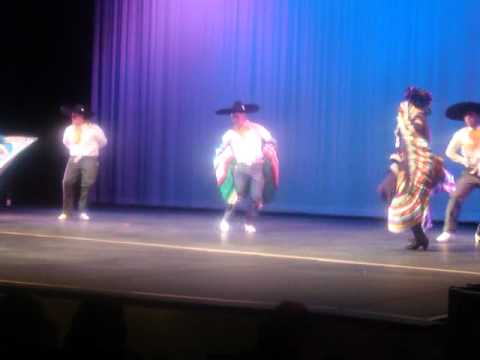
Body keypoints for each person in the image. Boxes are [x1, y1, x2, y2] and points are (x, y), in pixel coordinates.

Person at [385, 87, 444, 250]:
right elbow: (402, 143)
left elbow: (416, 138)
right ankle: (420, 237)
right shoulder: (406, 117)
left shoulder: (417, 118)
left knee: (410, 201)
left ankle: (420, 238)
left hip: (419, 164)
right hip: (408, 162)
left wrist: (411, 126)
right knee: (405, 201)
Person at [214, 101, 279, 233]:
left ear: (243, 115)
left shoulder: (257, 129)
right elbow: (220, 149)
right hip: (241, 168)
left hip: (257, 168)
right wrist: (221, 156)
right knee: (236, 195)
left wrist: (269, 147)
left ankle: (249, 222)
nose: (234, 118)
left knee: (256, 197)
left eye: (236, 115)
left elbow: (271, 141)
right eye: (232, 116)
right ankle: (225, 220)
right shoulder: (229, 134)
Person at [436, 102, 480, 244]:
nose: (468, 118)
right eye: (466, 116)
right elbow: (450, 152)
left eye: (471, 115)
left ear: (477, 116)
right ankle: (448, 231)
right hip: (470, 173)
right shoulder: (461, 134)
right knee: (455, 196)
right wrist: (464, 161)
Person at [58, 104, 107, 221]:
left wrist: (91, 151)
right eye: (72, 116)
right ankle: (66, 211)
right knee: (67, 181)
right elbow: (65, 142)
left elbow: (103, 142)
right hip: (74, 157)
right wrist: (75, 151)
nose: (73, 118)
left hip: (89, 157)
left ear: (82, 117)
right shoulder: (69, 129)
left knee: (86, 184)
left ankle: (82, 210)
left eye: (75, 116)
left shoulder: (94, 129)